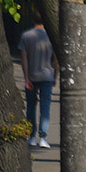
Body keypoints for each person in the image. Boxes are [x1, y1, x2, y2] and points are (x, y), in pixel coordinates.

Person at [19, 9, 59, 149]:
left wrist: (26, 78)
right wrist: (56, 75)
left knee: (31, 106)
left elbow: (24, 60)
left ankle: (31, 137)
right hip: (47, 75)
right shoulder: (51, 36)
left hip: (31, 76)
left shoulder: (26, 36)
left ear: (32, 20)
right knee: (45, 106)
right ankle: (43, 137)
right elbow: (56, 59)